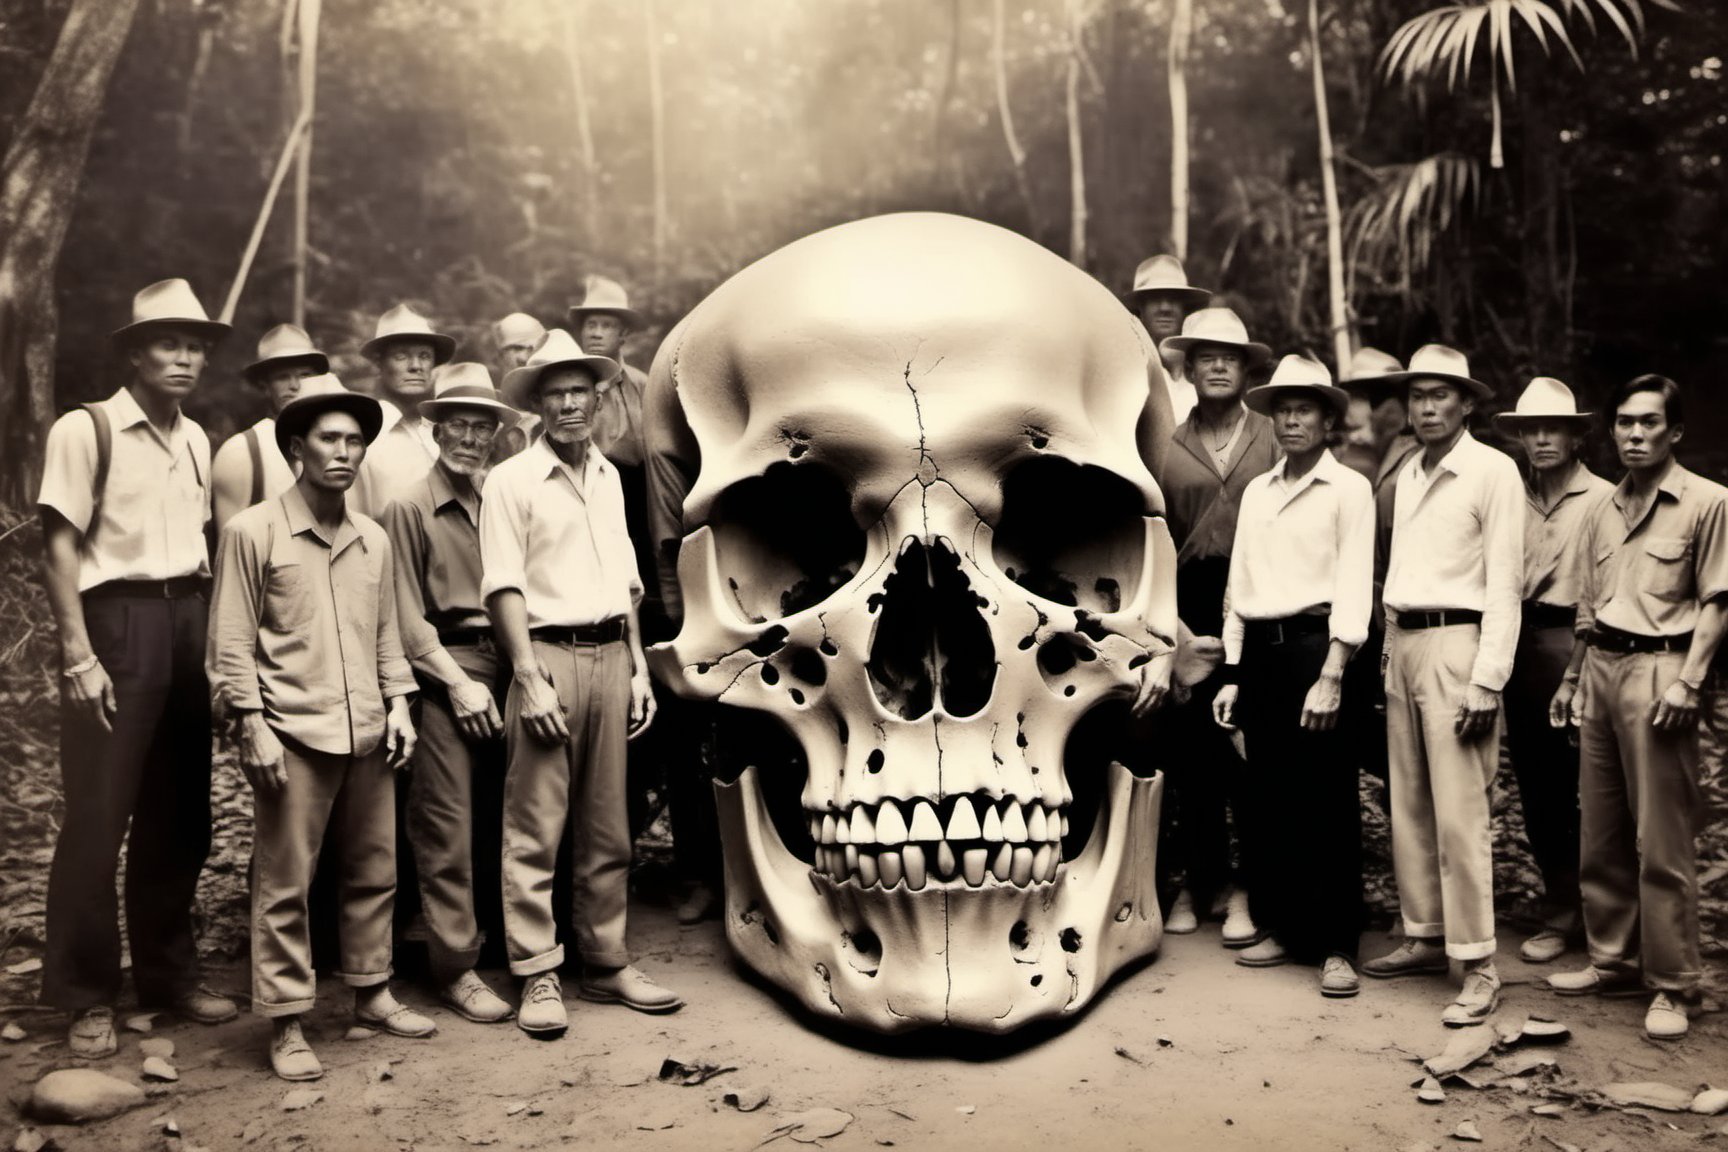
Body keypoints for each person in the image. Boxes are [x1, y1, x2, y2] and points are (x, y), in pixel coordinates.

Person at [36, 279, 239, 1059]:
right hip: (115, 622)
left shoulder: (197, 439)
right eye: (168, 342)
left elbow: (203, 553)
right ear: (134, 351)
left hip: (186, 615)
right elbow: (58, 547)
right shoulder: (87, 429)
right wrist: (78, 653)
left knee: (180, 811)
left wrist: (215, 656)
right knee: (99, 811)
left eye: (195, 344)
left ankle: (167, 974)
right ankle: (85, 995)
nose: (185, 356)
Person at [207, 375, 431, 1081]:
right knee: (285, 882)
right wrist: (251, 723)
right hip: (292, 733)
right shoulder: (253, 532)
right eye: (329, 439)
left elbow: (388, 636)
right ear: (296, 448)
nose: (345, 452)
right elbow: (230, 644)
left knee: (374, 872)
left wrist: (399, 703)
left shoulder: (372, 538)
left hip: (367, 726)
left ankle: (371, 994)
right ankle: (287, 1019)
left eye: (355, 440)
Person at [482, 329, 683, 1035]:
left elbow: (627, 583)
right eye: (555, 393)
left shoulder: (606, 476)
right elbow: (503, 586)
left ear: (597, 399)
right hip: (547, 656)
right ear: (537, 404)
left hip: (609, 656)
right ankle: (537, 971)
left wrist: (636, 669)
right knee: (535, 825)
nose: (569, 404)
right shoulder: (509, 481)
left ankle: (604, 962)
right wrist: (528, 678)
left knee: (609, 825)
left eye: (579, 391)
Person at [1547, 374, 1726, 1041]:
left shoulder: (1708, 503)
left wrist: (1689, 682)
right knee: (1600, 827)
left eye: (1649, 423)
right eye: (1625, 422)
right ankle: (1613, 960)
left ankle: (1675, 985)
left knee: (1663, 838)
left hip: (1662, 670)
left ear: (1675, 432)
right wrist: (1571, 679)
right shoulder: (1601, 506)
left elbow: (1718, 603)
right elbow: (1590, 606)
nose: (1634, 434)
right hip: (1601, 669)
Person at [1363, 344, 1523, 1029]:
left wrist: (1488, 679)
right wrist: (1390, 651)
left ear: (1467, 403)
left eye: (1441, 395)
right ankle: (1426, 934)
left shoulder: (1493, 471)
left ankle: (1480, 964)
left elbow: (1506, 585)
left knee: (1462, 808)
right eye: (1418, 395)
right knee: (1411, 800)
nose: (1427, 406)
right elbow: (1399, 573)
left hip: (1461, 643)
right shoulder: (1408, 474)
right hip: (1407, 643)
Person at [1212, 354, 1373, 997]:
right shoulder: (1258, 490)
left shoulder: (1350, 489)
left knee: (1327, 798)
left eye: (1303, 408)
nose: (1290, 420)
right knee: (1269, 798)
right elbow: (1238, 588)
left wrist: (1334, 671)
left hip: (1319, 652)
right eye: (1282, 409)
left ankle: (1337, 945)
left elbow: (1355, 587)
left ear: (1328, 419)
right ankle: (1286, 927)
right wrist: (1231, 673)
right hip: (1263, 658)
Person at [380, 363, 517, 1025]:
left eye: (481, 424)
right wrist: (458, 685)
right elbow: (405, 618)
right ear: (435, 428)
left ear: (496, 432)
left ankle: (498, 943)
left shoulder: (500, 494)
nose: (469, 436)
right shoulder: (408, 504)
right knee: (447, 822)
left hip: (509, 660)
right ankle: (453, 968)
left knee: (503, 812)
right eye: (456, 423)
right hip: (448, 669)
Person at [1153, 306, 1278, 944]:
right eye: (1206, 356)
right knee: (1192, 755)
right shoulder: (1167, 442)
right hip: (1189, 604)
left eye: (1230, 356)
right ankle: (1201, 883)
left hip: (1261, 603)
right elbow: (1150, 538)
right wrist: (1172, 628)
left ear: (1248, 367)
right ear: (1191, 367)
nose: (1219, 365)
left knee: (1253, 755)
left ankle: (1250, 889)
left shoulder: (1274, 434)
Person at [1492, 378, 1613, 965]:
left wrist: (1581, 666)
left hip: (1579, 642)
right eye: (1531, 429)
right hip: (1520, 642)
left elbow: (1607, 593)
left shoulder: (1605, 498)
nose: (1541, 439)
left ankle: (1610, 915)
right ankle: (1560, 907)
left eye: (1553, 428)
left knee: (1592, 786)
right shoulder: (1509, 495)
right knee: (1539, 788)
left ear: (1576, 435)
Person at [1333, 348, 1417, 796]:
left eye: (1382, 395)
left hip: (1389, 608)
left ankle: (1408, 790)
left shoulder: (1407, 455)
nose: (1372, 405)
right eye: (1362, 394)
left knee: (1370, 714)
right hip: (1357, 605)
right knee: (1357, 715)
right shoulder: (1352, 455)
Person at [212, 324, 326, 531]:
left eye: (305, 375)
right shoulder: (242, 451)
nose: (295, 385)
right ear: (265, 386)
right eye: (283, 377)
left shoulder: (334, 445)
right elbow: (232, 552)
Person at [359, 303, 457, 515]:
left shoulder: (443, 428)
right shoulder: (365, 434)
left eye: (424, 356)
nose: (416, 366)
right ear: (379, 362)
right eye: (401, 356)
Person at [1124, 253, 1212, 426]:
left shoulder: (1205, 370)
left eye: (1173, 299)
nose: (1165, 308)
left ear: (1185, 308)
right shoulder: (1127, 370)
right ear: (1140, 309)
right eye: (1155, 299)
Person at [489, 312, 546, 464]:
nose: (524, 358)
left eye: (532, 349)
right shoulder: (487, 412)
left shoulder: (554, 413)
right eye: (516, 348)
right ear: (498, 356)